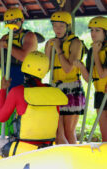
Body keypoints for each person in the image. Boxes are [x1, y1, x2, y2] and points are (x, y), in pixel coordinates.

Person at [0, 51, 68, 158]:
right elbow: (59, 132)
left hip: (21, 148)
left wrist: (3, 90)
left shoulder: (18, 91)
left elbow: (1, 117)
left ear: (24, 68)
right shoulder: (53, 93)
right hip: (45, 148)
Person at [0, 8, 38, 135]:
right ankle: (7, 135)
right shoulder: (5, 37)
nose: (11, 25)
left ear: (21, 21)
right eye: (8, 22)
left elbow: (24, 56)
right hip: (8, 76)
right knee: (6, 111)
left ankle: (23, 134)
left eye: (14, 21)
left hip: (24, 77)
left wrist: (7, 45)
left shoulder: (29, 36)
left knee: (22, 111)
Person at [45, 11, 85, 144]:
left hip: (71, 88)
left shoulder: (76, 42)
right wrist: (49, 48)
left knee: (68, 131)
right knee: (57, 132)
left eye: (61, 26)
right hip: (55, 87)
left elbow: (68, 69)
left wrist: (58, 49)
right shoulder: (50, 43)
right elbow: (46, 68)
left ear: (68, 26)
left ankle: (75, 161)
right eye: (55, 26)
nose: (57, 29)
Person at [75, 16, 107, 141]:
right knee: (105, 136)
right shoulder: (91, 51)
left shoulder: (96, 51)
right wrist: (81, 67)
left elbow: (102, 73)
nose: (93, 33)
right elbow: (88, 79)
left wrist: (96, 54)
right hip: (100, 93)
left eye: (97, 30)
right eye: (91, 30)